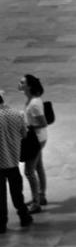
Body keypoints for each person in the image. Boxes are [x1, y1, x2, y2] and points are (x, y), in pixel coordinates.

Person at [0, 88, 32, 232]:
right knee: (17, 193)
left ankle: (1, 224)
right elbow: (24, 135)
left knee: (0, 197)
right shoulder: (17, 114)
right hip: (13, 162)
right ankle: (24, 217)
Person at [18, 75, 48, 213]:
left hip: (35, 139)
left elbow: (43, 123)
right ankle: (41, 196)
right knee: (39, 167)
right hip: (37, 138)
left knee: (29, 171)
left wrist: (27, 126)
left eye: (22, 82)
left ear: (29, 86)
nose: (20, 84)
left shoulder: (34, 103)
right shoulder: (32, 100)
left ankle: (36, 202)